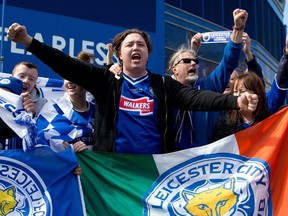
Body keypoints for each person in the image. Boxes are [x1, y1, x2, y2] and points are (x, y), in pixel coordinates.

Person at [7, 17, 258, 154]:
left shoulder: (162, 84)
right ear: (119, 54)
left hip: (152, 168)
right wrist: (29, 41)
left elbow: (197, 98)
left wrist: (235, 100)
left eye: (140, 45)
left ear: (148, 54)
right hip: (113, 169)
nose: (135, 48)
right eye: (129, 45)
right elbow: (67, 65)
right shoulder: (106, 80)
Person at [168, 9, 248, 148]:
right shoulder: (163, 91)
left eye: (195, 61)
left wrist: (238, 29)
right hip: (171, 163)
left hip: (205, 162)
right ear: (174, 69)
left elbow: (228, 63)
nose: (193, 63)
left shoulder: (207, 87)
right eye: (187, 61)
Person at [212, 72, 272, 141]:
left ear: (256, 93)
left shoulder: (269, 120)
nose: (238, 95)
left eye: (242, 91)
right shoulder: (225, 123)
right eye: (235, 91)